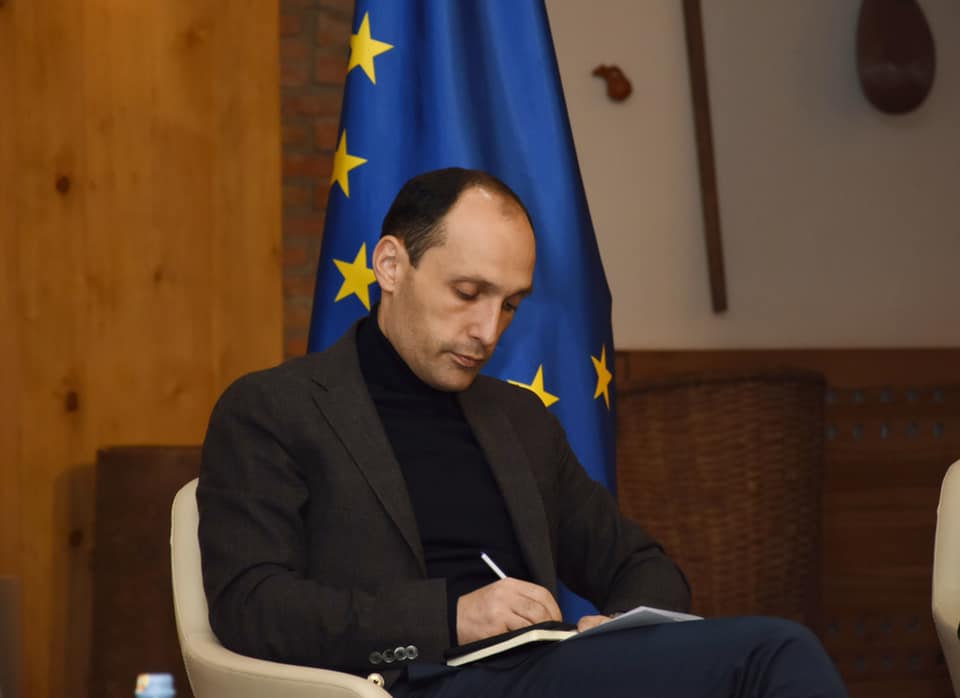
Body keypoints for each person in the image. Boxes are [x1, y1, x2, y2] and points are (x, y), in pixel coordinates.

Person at [198, 168, 847, 697]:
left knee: (769, 656)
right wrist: (452, 616)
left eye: (509, 304)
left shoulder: (518, 419)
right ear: (391, 266)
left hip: (547, 670)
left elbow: (642, 564)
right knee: (772, 654)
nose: (488, 331)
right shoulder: (273, 409)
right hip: (404, 684)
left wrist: (620, 628)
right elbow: (250, 606)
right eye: (467, 292)